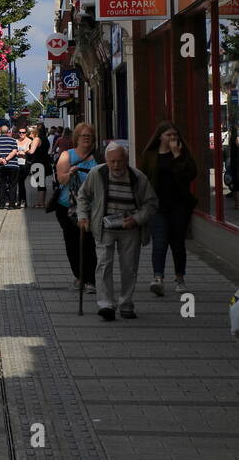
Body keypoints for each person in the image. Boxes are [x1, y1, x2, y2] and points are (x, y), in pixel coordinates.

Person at [77, 141, 158, 321]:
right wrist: (83, 216)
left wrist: (136, 219)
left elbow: (151, 203)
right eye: (112, 162)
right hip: (104, 227)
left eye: (120, 161)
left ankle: (126, 304)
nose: (116, 166)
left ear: (126, 160)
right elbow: (83, 196)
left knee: (129, 268)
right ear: (106, 160)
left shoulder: (138, 177)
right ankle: (106, 305)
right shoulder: (97, 173)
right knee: (104, 265)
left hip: (129, 228)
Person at [140, 121, 197, 296]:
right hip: (158, 206)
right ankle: (158, 278)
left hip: (179, 205)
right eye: (169, 135)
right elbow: (143, 178)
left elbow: (190, 175)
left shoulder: (182, 154)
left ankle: (180, 278)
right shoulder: (150, 155)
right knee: (159, 242)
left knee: (178, 244)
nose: (173, 138)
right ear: (160, 137)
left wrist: (177, 155)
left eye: (175, 135)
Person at [55, 122, 99, 293]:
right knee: (72, 243)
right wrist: (70, 172)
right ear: (77, 138)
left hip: (91, 207)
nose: (87, 138)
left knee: (89, 243)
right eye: (83, 136)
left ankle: (90, 280)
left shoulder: (98, 157)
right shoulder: (67, 155)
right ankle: (79, 276)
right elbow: (61, 179)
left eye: (89, 136)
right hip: (68, 206)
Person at [0, 123, 19, 210]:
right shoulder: (13, 141)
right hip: (12, 165)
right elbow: (14, 151)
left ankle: (1, 204)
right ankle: (11, 204)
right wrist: (6, 159)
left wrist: (0, 160)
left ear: (0, 131)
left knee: (1, 185)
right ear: (8, 131)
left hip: (0, 166)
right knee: (12, 185)